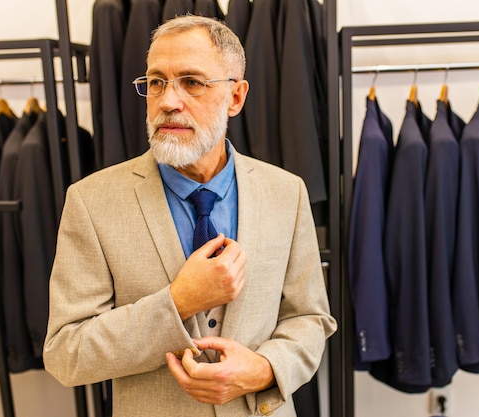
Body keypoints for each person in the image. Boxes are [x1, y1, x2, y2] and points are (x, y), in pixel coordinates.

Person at [43, 15, 337, 417]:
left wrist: (265, 369)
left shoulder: (287, 192)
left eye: (192, 82)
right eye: (156, 82)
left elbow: (310, 318)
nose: (167, 101)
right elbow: (66, 353)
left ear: (236, 97)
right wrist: (177, 302)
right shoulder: (91, 202)